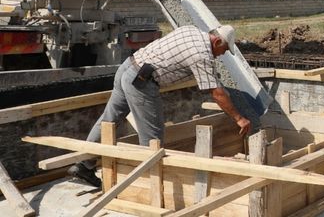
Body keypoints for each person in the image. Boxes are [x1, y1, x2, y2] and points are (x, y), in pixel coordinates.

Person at [68, 25, 251, 187]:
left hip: (128, 67)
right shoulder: (202, 55)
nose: (222, 54)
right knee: (153, 137)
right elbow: (217, 92)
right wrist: (239, 119)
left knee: (109, 119)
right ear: (217, 41)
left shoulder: (191, 30)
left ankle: (83, 164)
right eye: (224, 50)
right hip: (142, 80)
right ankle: (146, 183)